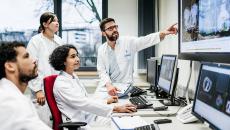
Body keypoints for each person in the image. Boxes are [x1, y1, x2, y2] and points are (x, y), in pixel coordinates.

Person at [49, 44, 136, 128]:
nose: (77, 59)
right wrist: (115, 108)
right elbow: (84, 103)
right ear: (63, 61)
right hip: (79, 123)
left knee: (125, 119)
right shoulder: (61, 83)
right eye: (73, 57)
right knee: (120, 123)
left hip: (88, 117)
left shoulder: (73, 76)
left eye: (77, 55)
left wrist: (106, 101)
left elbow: (86, 99)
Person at [97, 18, 178, 96]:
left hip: (123, 87)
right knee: (99, 103)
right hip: (107, 87)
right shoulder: (101, 49)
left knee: (111, 105)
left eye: (115, 27)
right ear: (103, 33)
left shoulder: (128, 42)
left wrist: (164, 33)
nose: (114, 30)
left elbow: (146, 40)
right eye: (110, 28)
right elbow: (102, 70)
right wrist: (108, 85)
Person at [0, 42, 51, 130]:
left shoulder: (11, 95)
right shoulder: (10, 101)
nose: (34, 60)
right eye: (26, 56)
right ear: (10, 66)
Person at [26, 12, 64, 125]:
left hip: (57, 88)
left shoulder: (59, 41)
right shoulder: (35, 41)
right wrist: (37, 90)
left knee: (59, 121)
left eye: (57, 21)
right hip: (41, 89)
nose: (57, 23)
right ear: (45, 24)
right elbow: (30, 66)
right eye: (54, 21)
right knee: (43, 123)